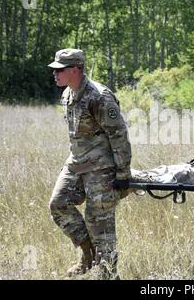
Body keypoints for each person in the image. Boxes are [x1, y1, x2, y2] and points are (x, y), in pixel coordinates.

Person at [47, 48, 132, 279]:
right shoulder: (68, 94)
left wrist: (123, 175)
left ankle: (108, 275)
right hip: (76, 164)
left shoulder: (99, 97)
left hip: (101, 169)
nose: (55, 74)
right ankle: (88, 253)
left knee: (100, 227)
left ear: (75, 70)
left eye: (60, 70)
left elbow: (119, 135)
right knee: (58, 204)